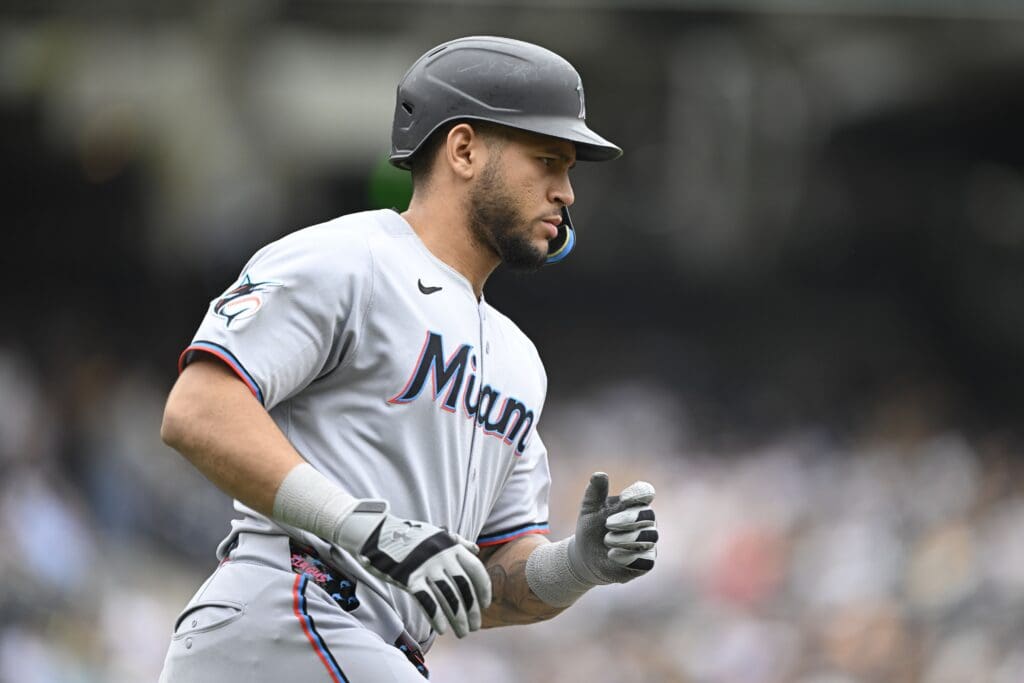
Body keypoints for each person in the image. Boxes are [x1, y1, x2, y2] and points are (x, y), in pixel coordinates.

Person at [158, 35, 659, 682]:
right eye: (546, 159)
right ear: (464, 148)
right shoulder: (351, 258)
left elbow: (486, 585)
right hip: (289, 612)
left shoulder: (517, 359)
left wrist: (577, 565)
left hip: (367, 639)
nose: (565, 191)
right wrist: (367, 529)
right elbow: (197, 410)